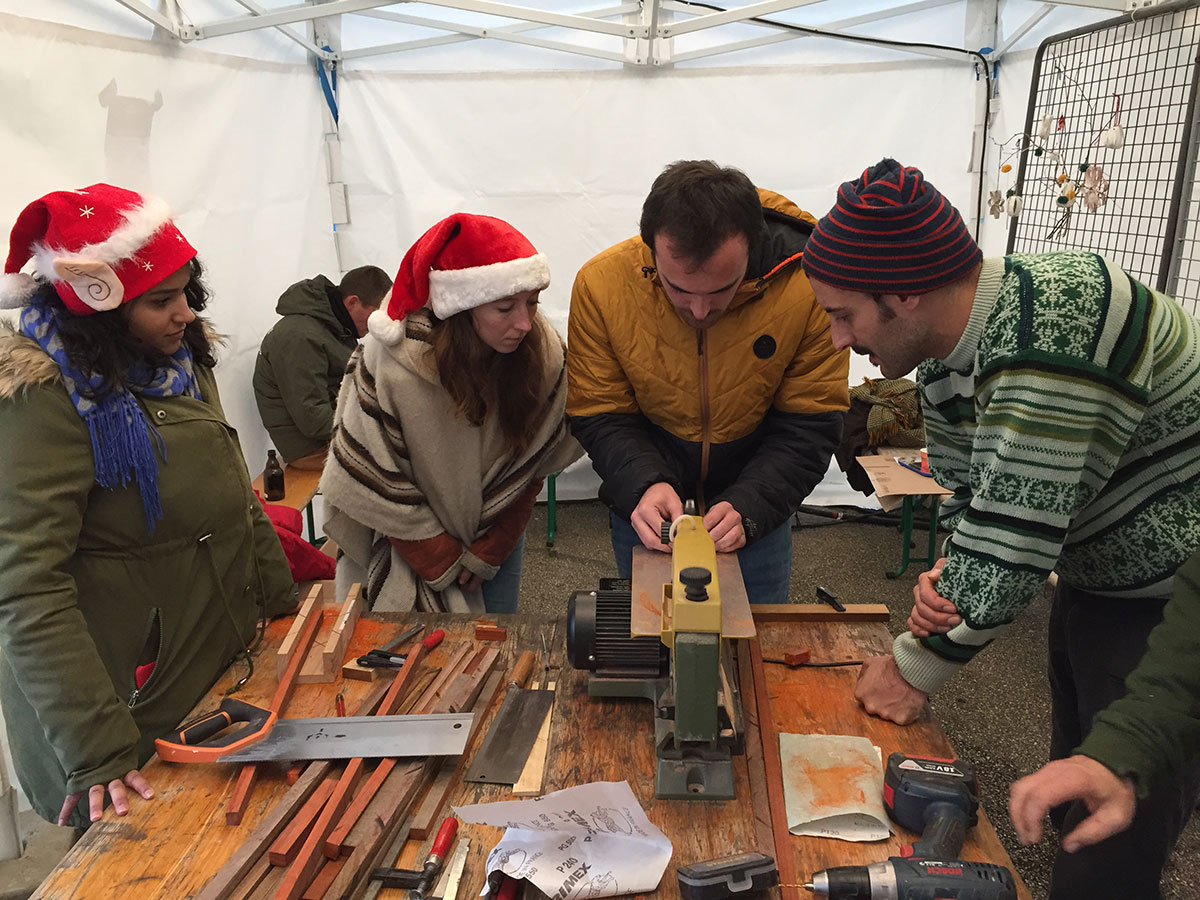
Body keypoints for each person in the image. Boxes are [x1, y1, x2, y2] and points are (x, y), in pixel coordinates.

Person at [801, 157, 1200, 899]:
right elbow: (972, 499)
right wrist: (944, 580)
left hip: (1173, 606)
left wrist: (914, 664)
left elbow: (1016, 528)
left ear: (908, 291)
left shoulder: (1059, 318)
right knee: (1073, 785)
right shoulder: (947, 361)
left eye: (843, 314)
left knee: (1110, 840)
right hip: (1096, 580)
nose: (834, 339)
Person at [0, 184, 296, 829]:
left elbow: (233, 499)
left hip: (212, 672)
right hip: (123, 707)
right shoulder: (41, 401)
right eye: (161, 300)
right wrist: (95, 747)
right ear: (100, 309)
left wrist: (279, 606)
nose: (185, 313)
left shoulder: (179, 361)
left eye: (188, 292)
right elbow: (25, 588)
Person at [566, 160, 849, 603]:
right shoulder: (601, 287)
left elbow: (810, 425)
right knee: (654, 644)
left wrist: (752, 507)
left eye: (722, 289)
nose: (699, 312)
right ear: (651, 250)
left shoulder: (809, 286)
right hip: (647, 508)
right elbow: (600, 414)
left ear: (752, 250)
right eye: (678, 288)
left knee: (755, 650)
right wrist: (643, 484)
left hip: (756, 504)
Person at [320, 213, 581, 614]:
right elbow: (369, 470)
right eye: (505, 308)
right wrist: (436, 555)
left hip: (495, 535)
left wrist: (494, 545)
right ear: (462, 305)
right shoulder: (388, 361)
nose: (525, 323)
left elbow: (534, 462)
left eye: (532, 303)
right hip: (401, 542)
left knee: (491, 647)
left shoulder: (541, 353)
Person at [253, 265, 392, 469]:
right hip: (309, 449)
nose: (374, 325)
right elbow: (313, 420)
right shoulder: (299, 336)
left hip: (333, 435)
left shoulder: (332, 325)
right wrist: (374, 424)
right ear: (353, 302)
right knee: (403, 460)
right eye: (373, 316)